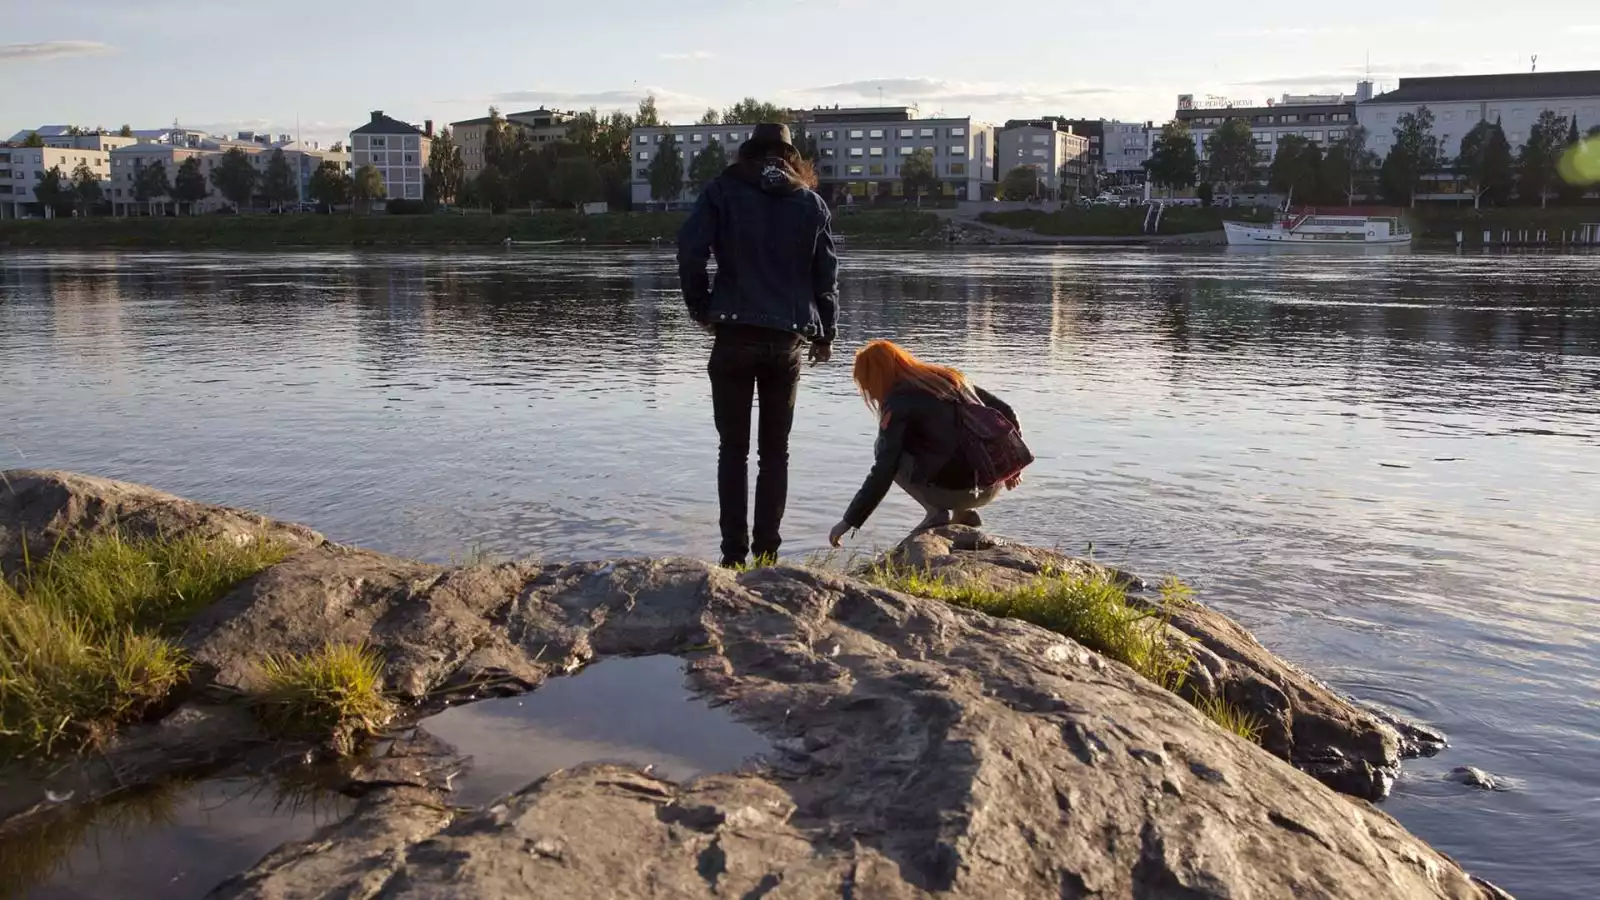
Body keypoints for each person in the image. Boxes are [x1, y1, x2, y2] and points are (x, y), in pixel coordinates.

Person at [678, 122, 840, 568]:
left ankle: (732, 558)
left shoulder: (723, 190)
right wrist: (825, 333)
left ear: (748, 154)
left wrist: (701, 306)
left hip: (733, 332)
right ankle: (767, 557)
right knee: (775, 453)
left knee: (732, 450)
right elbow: (825, 276)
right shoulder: (810, 203)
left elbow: (690, 251)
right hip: (785, 340)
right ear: (791, 160)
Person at [829, 340, 1026, 547]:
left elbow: (883, 469)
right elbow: (1008, 411)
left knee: (884, 451)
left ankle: (936, 513)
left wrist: (848, 521)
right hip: (990, 487)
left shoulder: (898, 403)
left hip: (955, 493)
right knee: (948, 444)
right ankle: (964, 513)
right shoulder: (949, 378)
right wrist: (1013, 467)